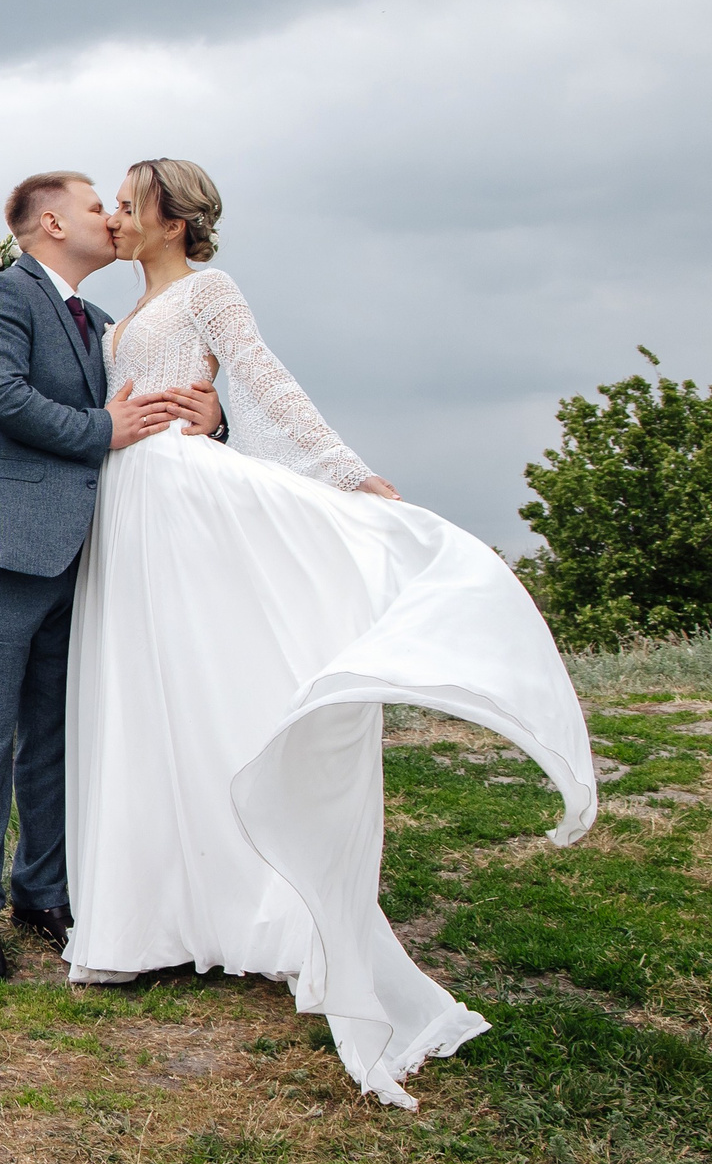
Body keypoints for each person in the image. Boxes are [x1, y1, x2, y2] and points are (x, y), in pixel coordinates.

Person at [62, 158, 596, 1107]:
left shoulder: (211, 290)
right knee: (151, 700)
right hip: (132, 502)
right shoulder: (119, 319)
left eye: (129, 199)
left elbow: (266, 378)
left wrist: (345, 473)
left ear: (171, 218)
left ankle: (268, 908)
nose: (115, 212)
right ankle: (152, 920)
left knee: (211, 680)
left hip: (182, 496)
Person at [0, 171, 220, 983]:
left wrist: (213, 417)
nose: (112, 216)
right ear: (53, 223)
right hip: (2, 545)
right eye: (98, 205)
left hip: (87, 554)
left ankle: (44, 889)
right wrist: (103, 427)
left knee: (61, 734)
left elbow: (152, 407)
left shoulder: (101, 321)